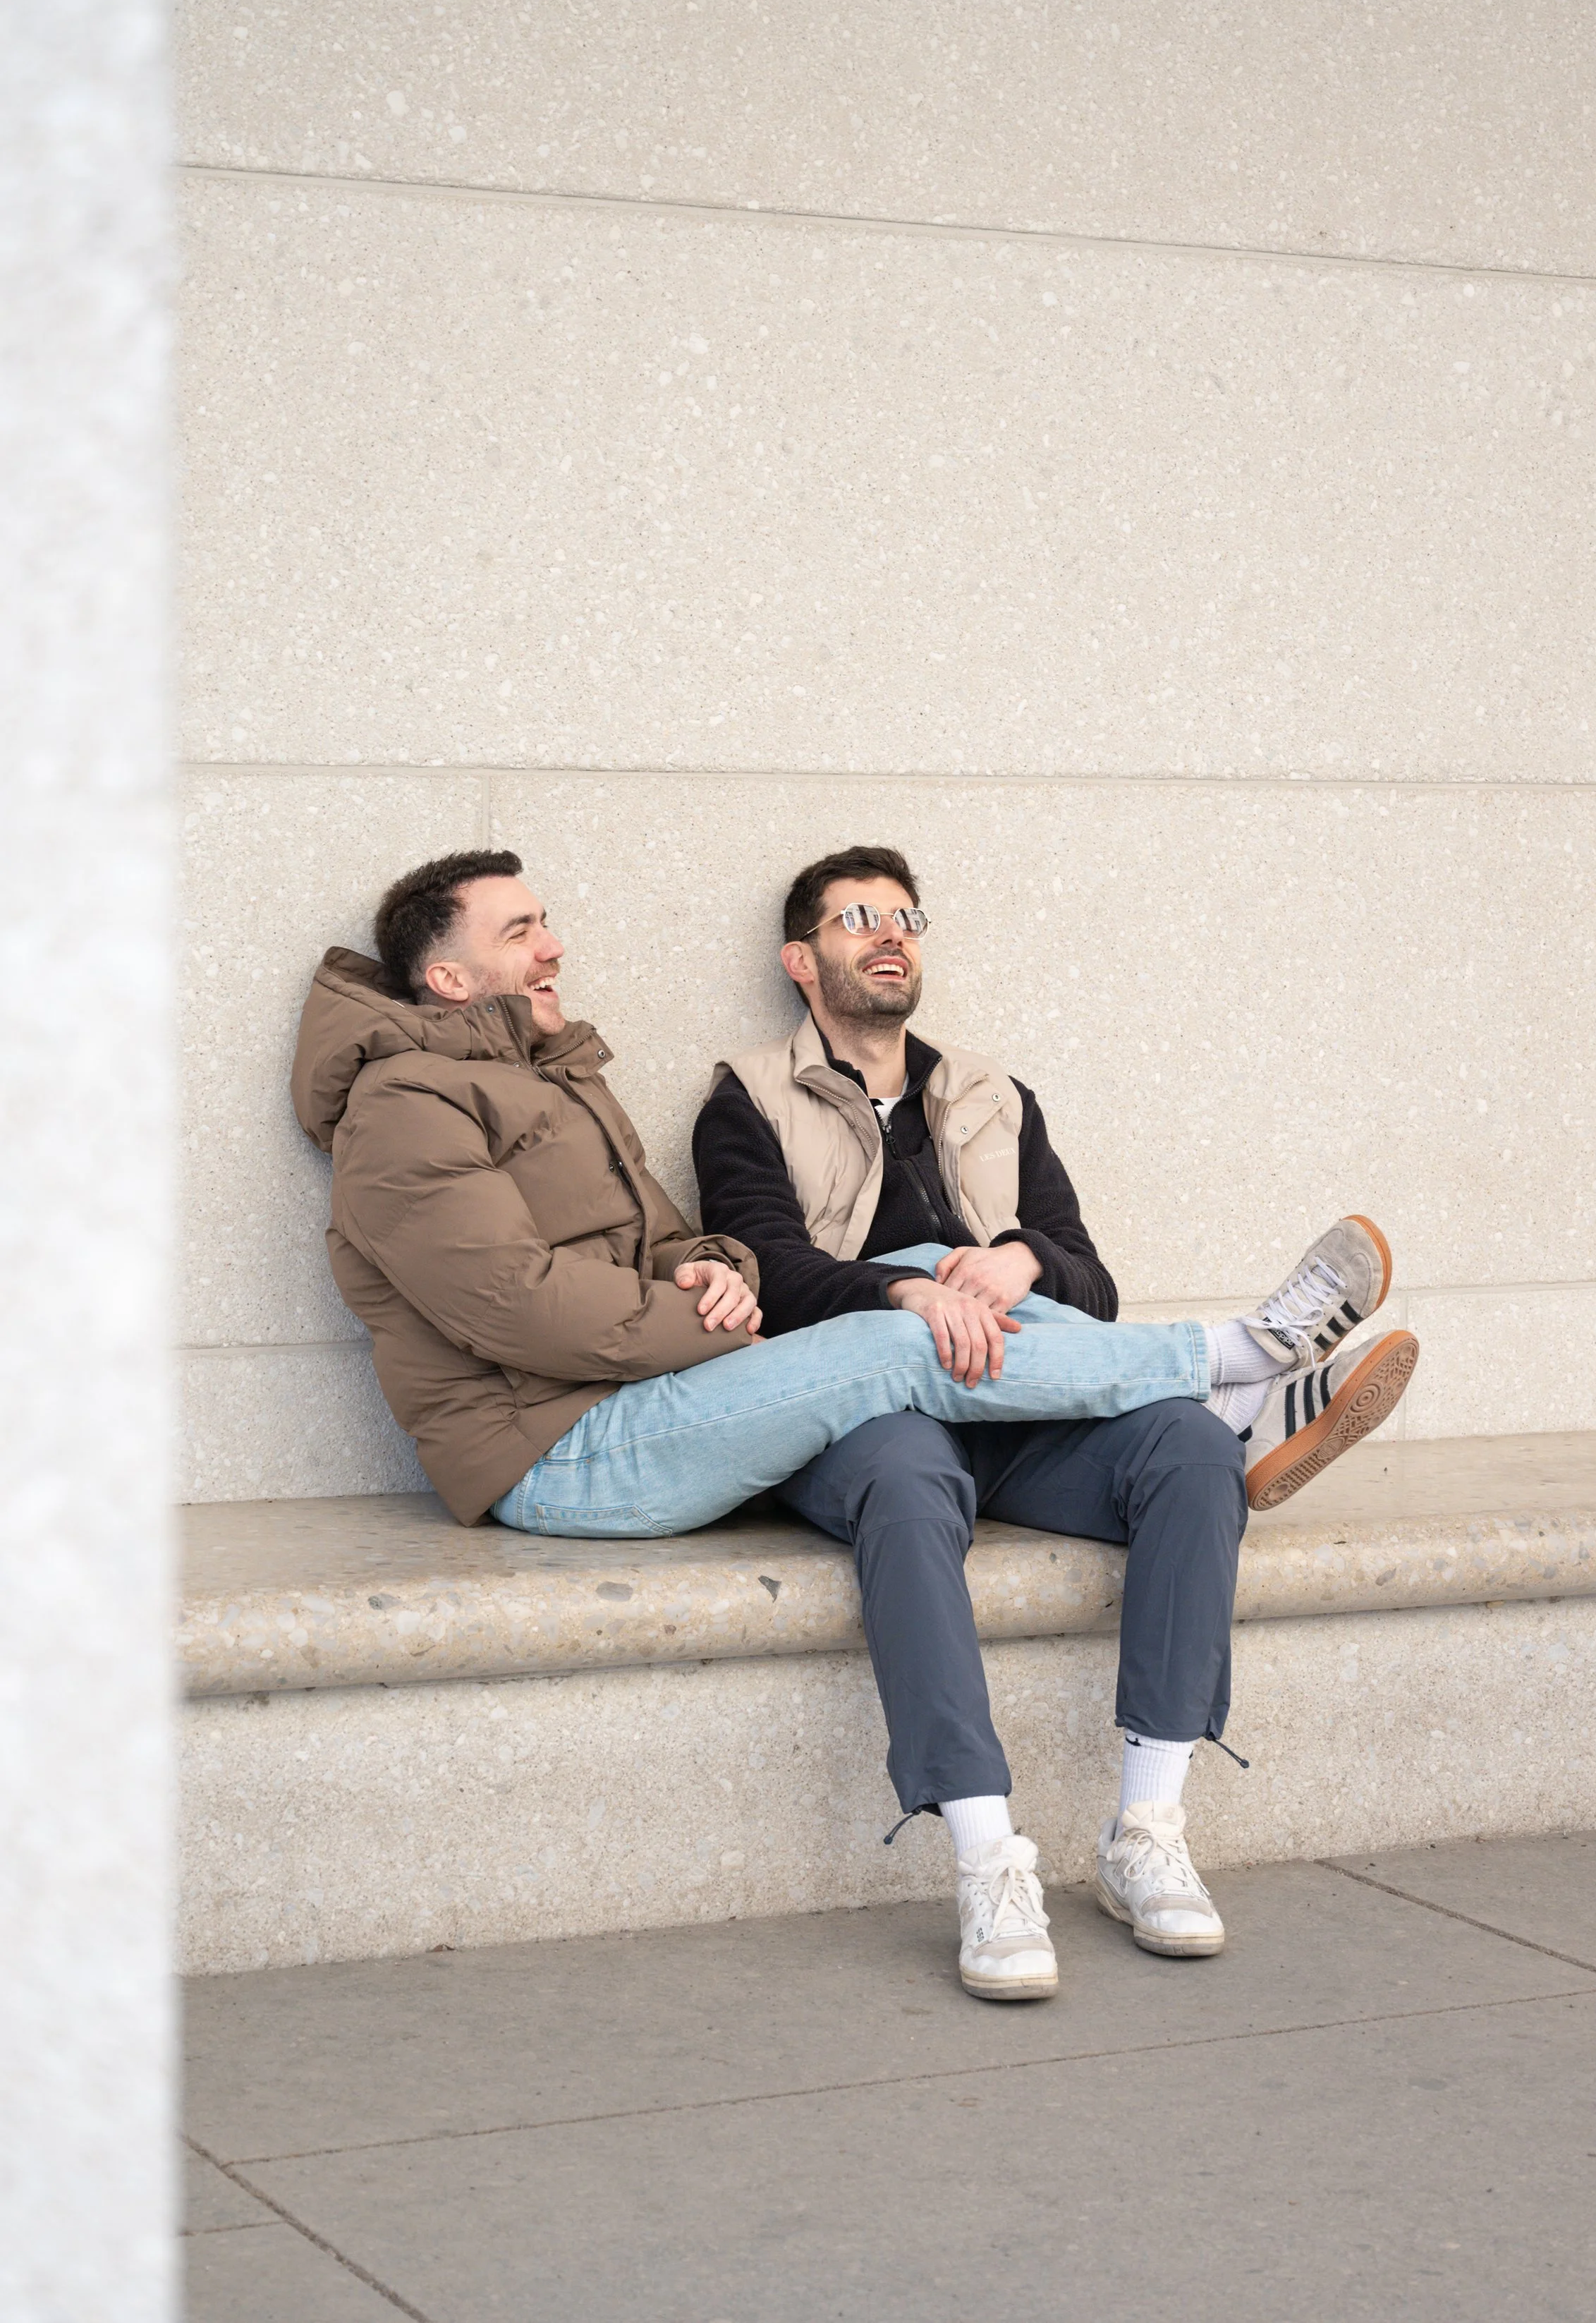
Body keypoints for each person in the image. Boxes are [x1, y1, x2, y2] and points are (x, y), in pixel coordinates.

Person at [289, 847, 1414, 1998]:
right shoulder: (408, 1107)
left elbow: (680, 1246)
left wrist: (717, 1276)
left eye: (905, 915)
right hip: (555, 1446)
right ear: (450, 979)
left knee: (1010, 1331)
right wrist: (734, 1310)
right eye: (523, 929)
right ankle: (1232, 1364)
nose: (555, 944)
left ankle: (1152, 1821)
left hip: (707, 1397)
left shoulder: (570, 1076)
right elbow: (518, 1303)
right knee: (901, 1317)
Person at [694, 845, 1419, 1998]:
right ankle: (988, 1860)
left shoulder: (990, 1092)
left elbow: (1089, 1277)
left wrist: (1024, 1258)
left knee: (1183, 1452)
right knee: (909, 1479)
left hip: (1027, 1411)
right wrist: (908, 1289)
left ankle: (1148, 1832)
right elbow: (767, 1274)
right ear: (801, 959)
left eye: (907, 916)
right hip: (878, 1408)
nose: (891, 934)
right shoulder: (748, 1095)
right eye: (857, 918)